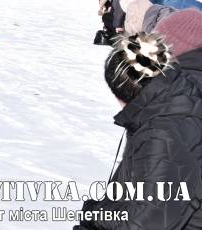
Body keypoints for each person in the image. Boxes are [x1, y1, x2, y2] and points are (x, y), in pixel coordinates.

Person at [75, 34, 202, 229]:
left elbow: (147, 221)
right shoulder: (178, 94)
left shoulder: (161, 132)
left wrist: (95, 215)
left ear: (120, 92)